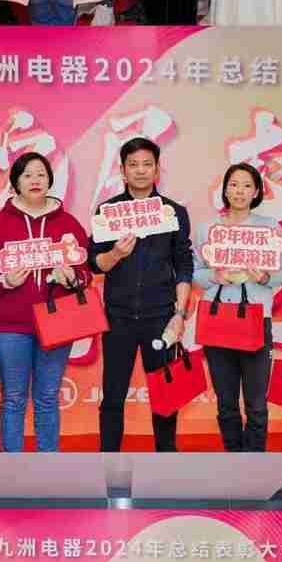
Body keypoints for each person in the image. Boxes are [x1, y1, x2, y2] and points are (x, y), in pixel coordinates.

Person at [0, 151, 92, 452]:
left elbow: (86, 271)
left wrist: (72, 278)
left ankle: (48, 463)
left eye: (41, 174)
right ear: (15, 183)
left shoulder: (69, 224)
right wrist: (3, 280)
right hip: (10, 327)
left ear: (50, 180)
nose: (35, 180)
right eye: (27, 175)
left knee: (47, 397)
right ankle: (12, 466)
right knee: (13, 398)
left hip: (58, 323)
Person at [87, 137, 194, 452]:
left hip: (160, 317)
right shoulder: (108, 211)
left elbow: (183, 265)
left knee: (165, 397)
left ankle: (166, 462)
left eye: (147, 164)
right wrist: (116, 254)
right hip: (118, 318)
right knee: (112, 398)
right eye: (133, 164)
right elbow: (94, 263)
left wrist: (179, 314)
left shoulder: (173, 212)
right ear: (123, 170)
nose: (141, 170)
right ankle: (108, 462)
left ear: (157, 169)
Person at [192, 162, 282, 450]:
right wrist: (214, 276)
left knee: (256, 403)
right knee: (226, 403)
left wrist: (265, 277)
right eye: (233, 184)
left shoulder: (269, 227)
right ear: (225, 189)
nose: (239, 191)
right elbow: (194, 272)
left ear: (256, 191)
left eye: (247, 186)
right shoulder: (208, 228)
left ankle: (254, 462)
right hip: (218, 320)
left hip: (256, 320)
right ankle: (233, 457)